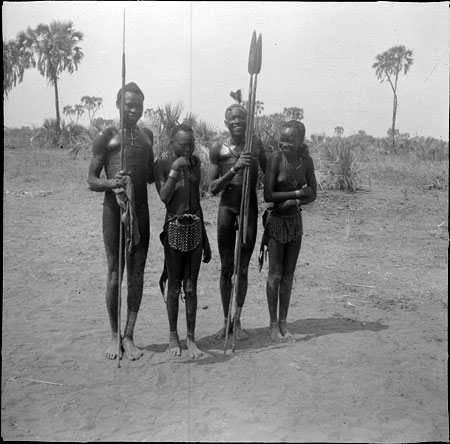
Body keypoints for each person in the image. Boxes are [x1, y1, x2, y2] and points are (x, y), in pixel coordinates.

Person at [87, 82, 154, 360]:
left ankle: (129, 334)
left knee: (137, 276)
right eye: (128, 105)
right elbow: (91, 180)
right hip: (114, 211)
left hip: (141, 212)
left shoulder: (147, 136)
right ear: (118, 104)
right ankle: (114, 335)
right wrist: (113, 182)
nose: (133, 110)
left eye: (138, 105)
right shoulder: (107, 136)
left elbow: (150, 176)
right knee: (116, 274)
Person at [209, 103, 267, 340]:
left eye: (241, 119)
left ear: (248, 121)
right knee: (226, 268)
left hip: (248, 209)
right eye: (232, 119)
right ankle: (225, 322)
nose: (237, 123)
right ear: (226, 123)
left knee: (242, 268)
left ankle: (238, 320)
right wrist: (235, 168)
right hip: (227, 209)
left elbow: (270, 170)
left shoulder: (255, 145)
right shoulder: (218, 149)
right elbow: (212, 188)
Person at [155, 124, 211, 358]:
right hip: (174, 228)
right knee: (175, 286)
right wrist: (175, 170)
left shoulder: (196, 164)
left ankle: (190, 338)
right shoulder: (162, 164)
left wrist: (206, 239)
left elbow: (196, 202)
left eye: (191, 144)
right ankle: (172, 337)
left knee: (191, 286)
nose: (187, 149)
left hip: (195, 228)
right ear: (171, 143)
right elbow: (164, 197)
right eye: (182, 145)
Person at [260, 120, 317, 342]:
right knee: (274, 275)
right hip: (276, 222)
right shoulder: (275, 159)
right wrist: (297, 194)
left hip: (295, 222)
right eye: (282, 139)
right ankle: (273, 324)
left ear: (300, 141)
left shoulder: (306, 161)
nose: (284, 144)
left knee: (288, 275)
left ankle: (284, 322)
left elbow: (313, 193)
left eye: (290, 140)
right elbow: (268, 195)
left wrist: (294, 200)